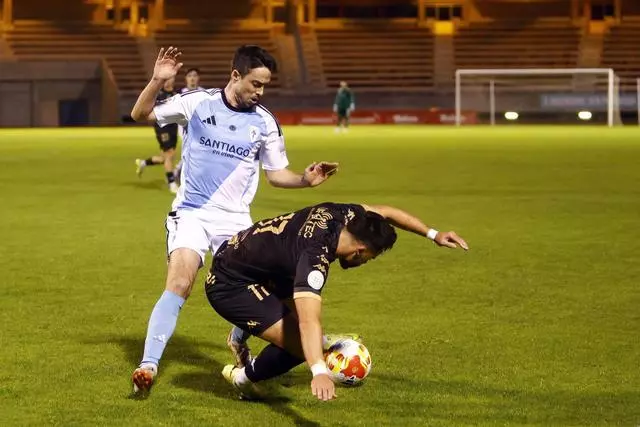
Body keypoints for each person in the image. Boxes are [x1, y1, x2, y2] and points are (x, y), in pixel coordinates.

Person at [129, 45, 339, 394]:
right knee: (179, 282)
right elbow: (140, 114)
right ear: (236, 75)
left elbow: (276, 175)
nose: (261, 92)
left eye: (265, 85)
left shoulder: (265, 122)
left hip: (236, 222)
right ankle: (148, 366)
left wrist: (305, 180)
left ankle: (239, 336)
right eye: (256, 84)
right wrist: (156, 80)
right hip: (192, 213)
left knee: (270, 286)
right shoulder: (197, 102)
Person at [205, 202, 469, 401]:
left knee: (307, 336)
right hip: (230, 284)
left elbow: (385, 212)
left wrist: (434, 234)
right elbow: (309, 321)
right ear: (360, 251)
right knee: (303, 346)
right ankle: (242, 379)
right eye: (370, 258)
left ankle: (241, 332)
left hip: (256, 263)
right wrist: (319, 370)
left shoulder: (345, 214)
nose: (365, 263)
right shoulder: (314, 259)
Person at [134, 77, 180, 193]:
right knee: (169, 154)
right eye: (166, 79)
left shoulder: (176, 94)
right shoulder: (158, 94)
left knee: (166, 158)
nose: (168, 81)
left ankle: (143, 163)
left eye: (170, 79)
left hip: (173, 127)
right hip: (162, 128)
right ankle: (171, 183)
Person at [174, 67, 205, 183]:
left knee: (194, 152)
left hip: (199, 128)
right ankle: (179, 172)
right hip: (184, 127)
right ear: (186, 79)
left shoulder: (203, 93)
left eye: (195, 76)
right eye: (190, 76)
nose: (192, 78)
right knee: (190, 151)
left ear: (198, 78)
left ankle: (179, 171)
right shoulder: (180, 93)